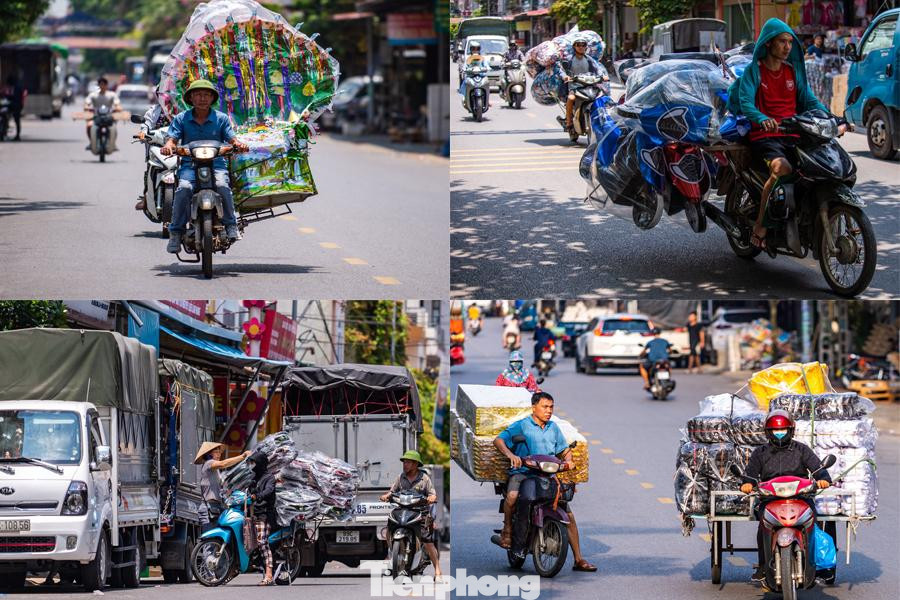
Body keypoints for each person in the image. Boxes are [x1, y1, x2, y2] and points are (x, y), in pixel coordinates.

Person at [727, 18, 845, 250]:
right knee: (783, 169)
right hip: (765, 136)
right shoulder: (755, 71)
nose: (787, 47)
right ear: (769, 44)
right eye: (782, 41)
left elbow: (809, 101)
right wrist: (762, 119)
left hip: (794, 133)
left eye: (790, 42)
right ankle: (761, 225)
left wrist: (834, 118)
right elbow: (746, 102)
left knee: (820, 167)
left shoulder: (792, 72)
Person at [493, 392, 596, 571]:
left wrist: (569, 459)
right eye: (545, 407)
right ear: (534, 407)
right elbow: (499, 440)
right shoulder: (522, 426)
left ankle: (578, 559)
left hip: (547, 475)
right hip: (524, 472)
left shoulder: (553, 427)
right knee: (512, 496)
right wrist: (512, 455)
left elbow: (563, 449)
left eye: (551, 407)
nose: (548, 411)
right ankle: (508, 530)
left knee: (568, 513)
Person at [740, 410, 831, 582]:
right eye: (775, 430)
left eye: (783, 430)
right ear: (768, 432)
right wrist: (747, 483)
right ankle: (763, 566)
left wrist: (823, 479)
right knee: (763, 527)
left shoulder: (802, 449)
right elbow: (750, 474)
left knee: (813, 524)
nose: (779, 433)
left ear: (791, 430)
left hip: (801, 497)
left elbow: (818, 468)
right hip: (770, 499)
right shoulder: (760, 452)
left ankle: (817, 564)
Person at [160, 79, 248, 252]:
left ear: (212, 98)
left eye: (206, 95)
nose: (202, 98)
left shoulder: (221, 118)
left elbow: (231, 138)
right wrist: (169, 146)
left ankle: (231, 225)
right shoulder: (181, 118)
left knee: (223, 186)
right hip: (189, 164)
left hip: (217, 163)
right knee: (184, 188)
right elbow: (172, 138)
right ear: (191, 98)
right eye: (198, 95)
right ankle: (176, 233)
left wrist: (238, 144)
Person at [380, 451, 442, 580]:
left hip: (420, 512)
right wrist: (386, 496)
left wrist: (431, 497)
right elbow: (392, 491)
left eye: (408, 462)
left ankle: (437, 570)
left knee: (428, 541)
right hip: (402, 510)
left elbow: (432, 493)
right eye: (404, 462)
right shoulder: (400, 477)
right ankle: (392, 554)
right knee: (388, 526)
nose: (405, 465)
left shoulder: (424, 478)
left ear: (415, 464)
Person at [195, 441, 251, 533]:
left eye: (219, 452)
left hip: (216, 507)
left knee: (217, 540)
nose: (219, 454)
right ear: (209, 454)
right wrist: (242, 456)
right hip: (208, 507)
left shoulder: (216, 471)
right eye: (216, 452)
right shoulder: (209, 463)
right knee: (209, 541)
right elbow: (223, 464)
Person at [554, 36, 602, 133]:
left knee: (602, 98)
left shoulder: (589, 59)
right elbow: (560, 70)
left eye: (583, 45)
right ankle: (568, 122)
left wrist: (602, 76)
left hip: (589, 86)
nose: (581, 47)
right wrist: (565, 76)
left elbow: (598, 69)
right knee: (571, 99)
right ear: (574, 47)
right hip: (575, 87)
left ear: (586, 47)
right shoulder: (568, 59)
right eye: (578, 45)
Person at [134, 98, 171, 211]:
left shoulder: (184, 108)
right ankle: (147, 194)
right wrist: (143, 132)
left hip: (177, 147)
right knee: (150, 167)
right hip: (157, 145)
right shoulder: (154, 110)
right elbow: (146, 123)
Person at [248, 450, 276, 585]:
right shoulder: (254, 477)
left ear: (260, 463)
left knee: (262, 542)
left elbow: (269, 490)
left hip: (265, 514)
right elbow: (249, 490)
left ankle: (269, 574)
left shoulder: (269, 477)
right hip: (253, 513)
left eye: (254, 462)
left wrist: (258, 496)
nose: (252, 465)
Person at [83, 77, 121, 150]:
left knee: (114, 127)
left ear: (107, 85)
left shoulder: (112, 95)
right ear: (99, 85)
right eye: (101, 84)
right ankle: (91, 142)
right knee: (89, 126)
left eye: (104, 84)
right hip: (96, 116)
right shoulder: (93, 95)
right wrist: (86, 106)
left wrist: (118, 107)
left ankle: (113, 143)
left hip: (108, 117)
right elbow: (87, 102)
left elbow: (117, 103)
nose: (102, 86)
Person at [2, 75, 25, 141]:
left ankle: (17, 135)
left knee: (17, 120)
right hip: (16, 105)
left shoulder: (16, 88)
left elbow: (14, 97)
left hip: (16, 106)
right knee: (16, 120)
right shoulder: (16, 87)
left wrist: (7, 96)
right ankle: (15, 135)